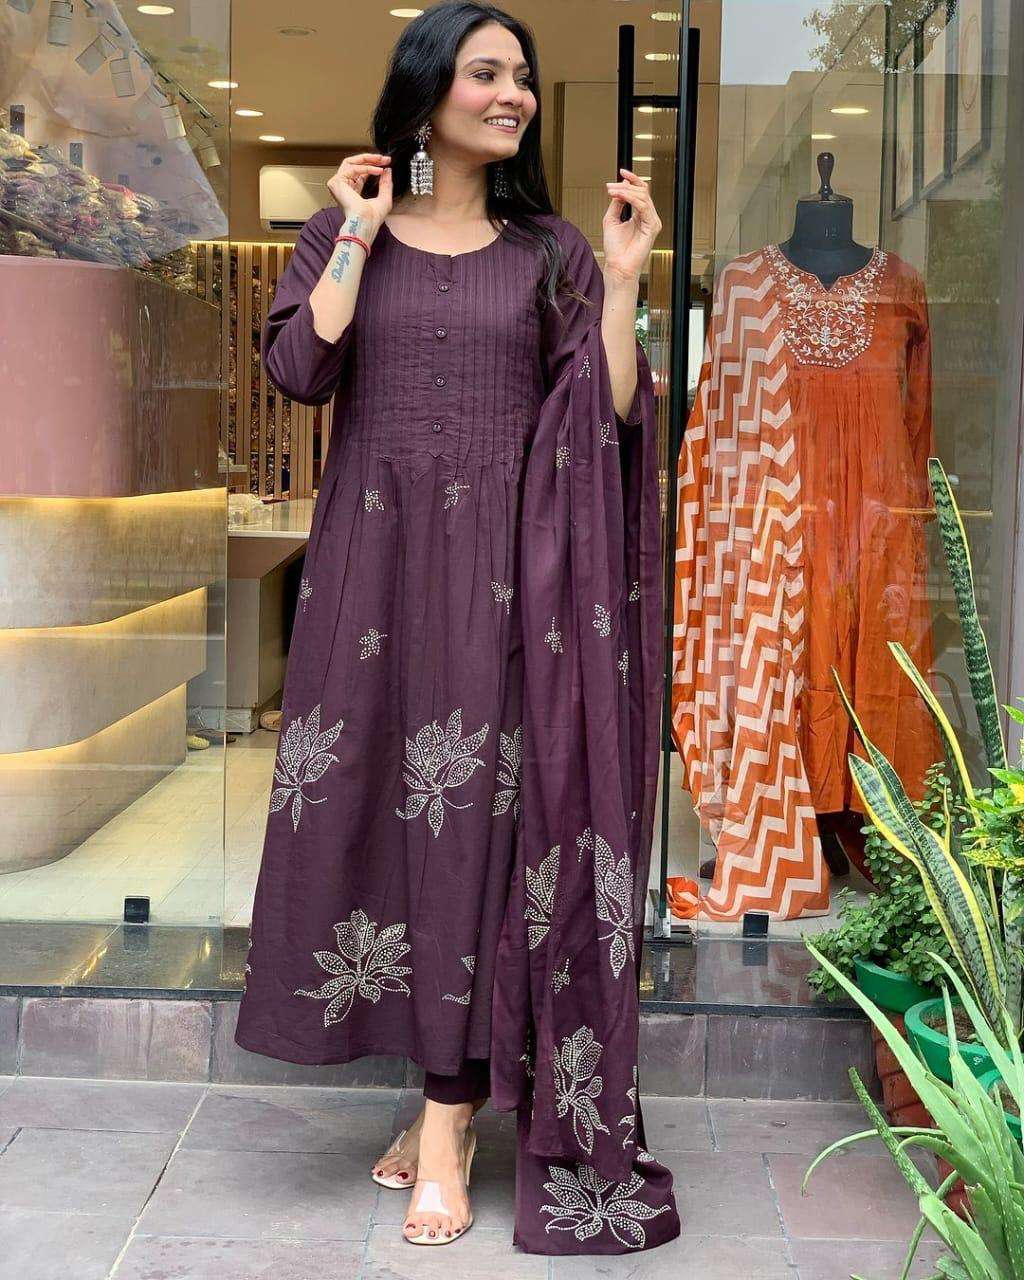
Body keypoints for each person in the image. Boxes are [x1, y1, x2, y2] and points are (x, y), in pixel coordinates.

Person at [234, 0, 679, 1255]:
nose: (513, 94)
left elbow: (610, 412)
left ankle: (447, 1124)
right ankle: (436, 1085)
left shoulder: (547, 250)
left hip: (507, 579)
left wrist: (624, 279)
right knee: (378, 816)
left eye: (521, 77)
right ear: (427, 91)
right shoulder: (347, 230)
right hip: (369, 572)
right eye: (487, 72)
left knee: (482, 829)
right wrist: (354, 232)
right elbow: (298, 372)